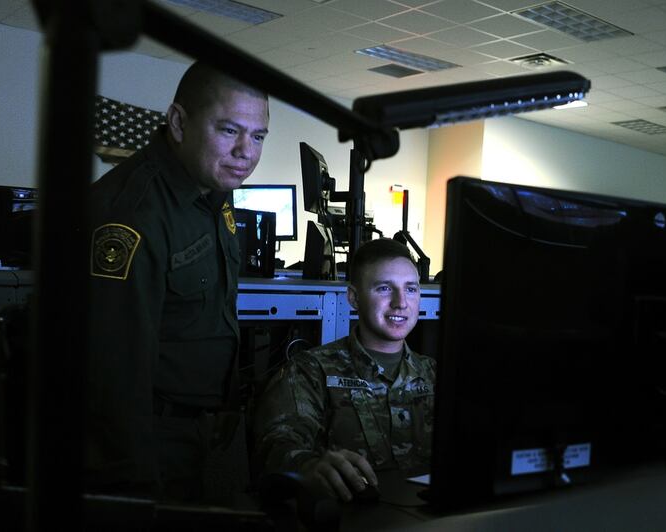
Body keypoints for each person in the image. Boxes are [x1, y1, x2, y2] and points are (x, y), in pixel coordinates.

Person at [86, 62, 270, 502]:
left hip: (195, 425)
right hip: (143, 440)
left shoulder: (213, 193)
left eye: (258, 136)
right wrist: (132, 480)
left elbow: (216, 308)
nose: (245, 152)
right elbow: (113, 369)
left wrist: (226, 400)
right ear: (179, 123)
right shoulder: (133, 213)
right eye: (229, 130)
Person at [253, 238, 436, 502]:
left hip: (430, 516)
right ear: (354, 298)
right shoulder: (311, 371)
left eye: (411, 289)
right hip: (349, 514)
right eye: (384, 288)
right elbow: (276, 445)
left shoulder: (434, 374)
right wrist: (308, 466)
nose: (400, 302)